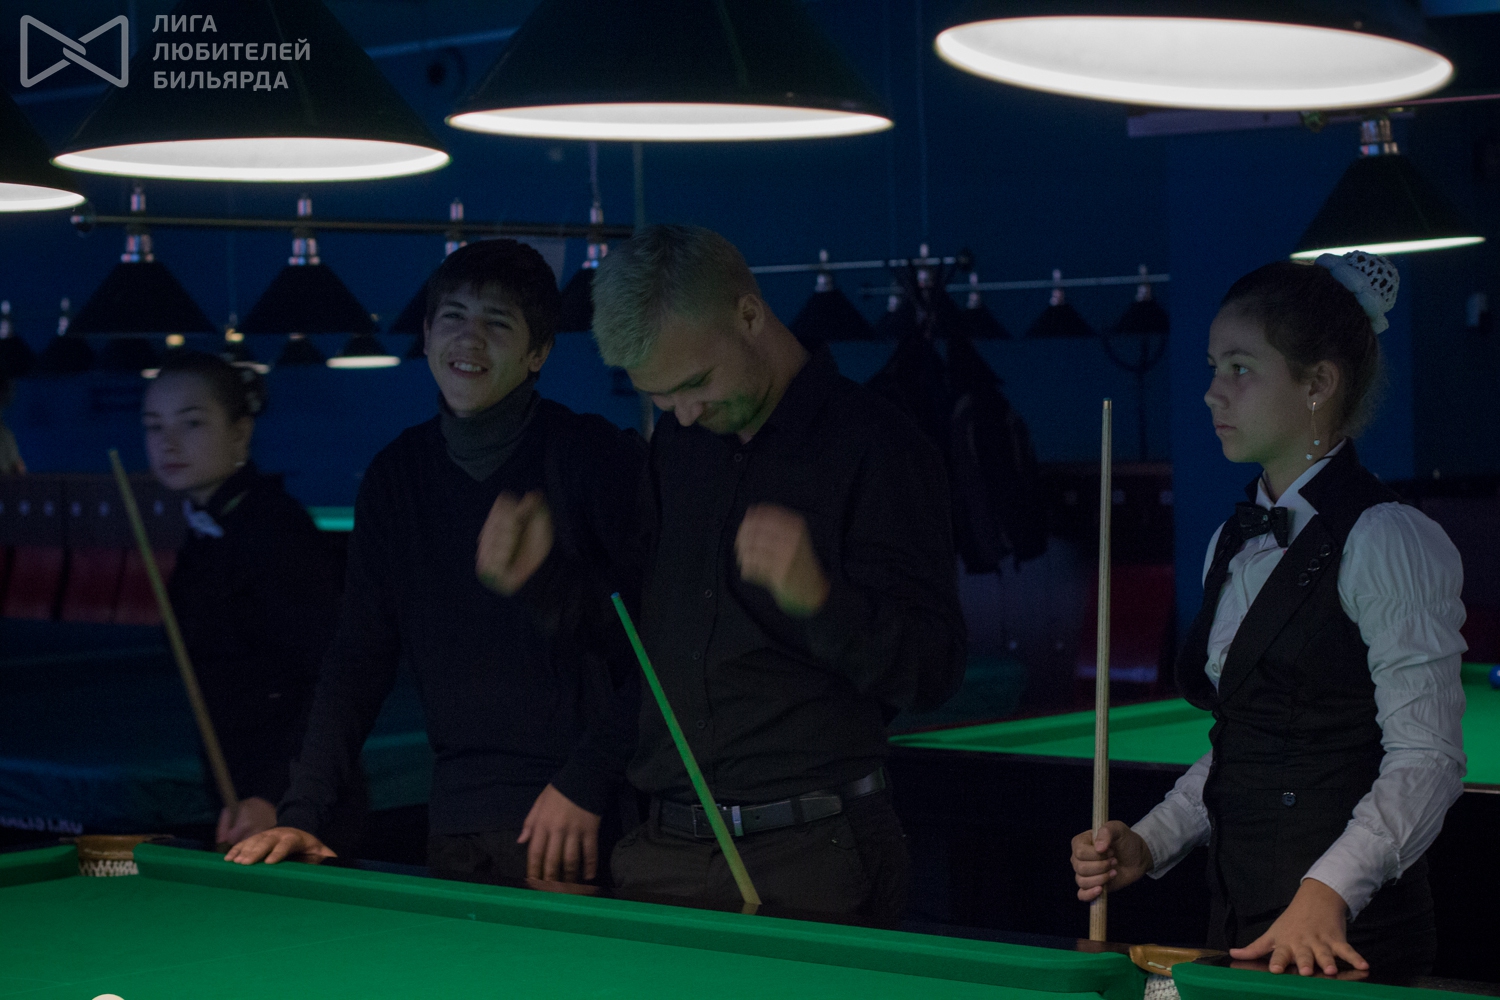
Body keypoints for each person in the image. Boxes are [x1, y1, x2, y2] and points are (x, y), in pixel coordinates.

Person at [478, 224, 966, 920]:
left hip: (814, 853)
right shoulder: (682, 446)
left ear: (749, 315)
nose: (684, 413)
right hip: (666, 849)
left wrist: (820, 600)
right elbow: (649, 649)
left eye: (696, 383)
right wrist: (543, 582)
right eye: (661, 397)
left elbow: (934, 671)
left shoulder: (879, 447)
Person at [1070, 252, 1466, 977]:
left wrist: (1328, 890)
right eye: (1213, 367)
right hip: (1240, 922)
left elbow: (1429, 759)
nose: (1212, 393)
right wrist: (1151, 841)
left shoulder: (1388, 539)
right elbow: (1242, 745)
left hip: (1348, 941)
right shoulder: (1233, 539)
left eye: (1240, 369)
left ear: (1318, 384)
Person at [227, 239, 643, 884]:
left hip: (580, 818)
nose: (468, 339)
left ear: (538, 352)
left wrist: (587, 783)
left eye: (497, 323)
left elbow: (657, 653)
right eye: (452, 317)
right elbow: (357, 659)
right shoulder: (396, 477)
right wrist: (304, 813)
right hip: (456, 817)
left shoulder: (592, 457)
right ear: (425, 335)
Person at [144, 350, 351, 847]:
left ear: (240, 432)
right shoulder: (205, 533)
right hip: (241, 800)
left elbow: (330, 680)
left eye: (191, 422)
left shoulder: (276, 531)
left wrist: (272, 793)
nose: (168, 442)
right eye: (153, 426)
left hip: (301, 807)